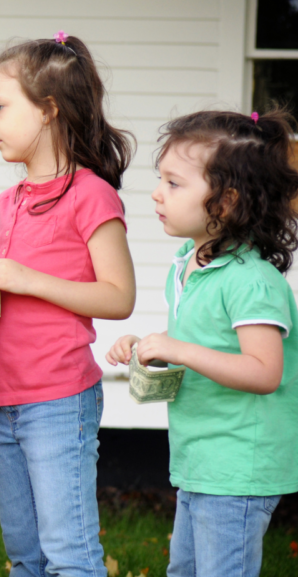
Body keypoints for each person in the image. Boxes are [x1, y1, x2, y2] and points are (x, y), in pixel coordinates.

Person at [0, 33, 136, 576]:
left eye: (1, 107)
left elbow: (119, 296)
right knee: (25, 557)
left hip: (57, 399)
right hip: (1, 397)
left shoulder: (90, 194)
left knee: (69, 555)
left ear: (49, 110)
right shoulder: (5, 203)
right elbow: (7, 290)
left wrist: (29, 279)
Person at [106, 109, 298, 577]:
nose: (157, 193)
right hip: (199, 458)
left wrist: (178, 350)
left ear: (226, 201)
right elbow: (200, 341)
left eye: (174, 183)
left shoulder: (252, 280)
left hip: (237, 464)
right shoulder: (188, 264)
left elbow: (263, 371)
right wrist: (147, 346)